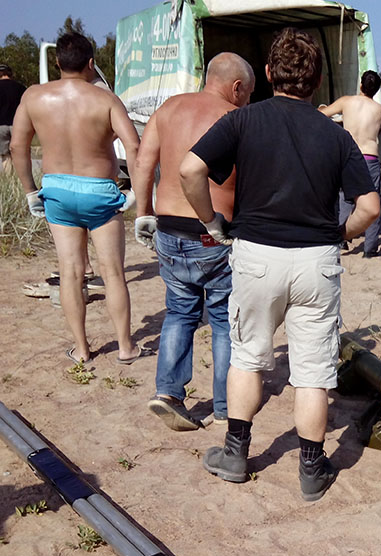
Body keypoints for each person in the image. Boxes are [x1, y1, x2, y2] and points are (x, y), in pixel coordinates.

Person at [180, 27, 380, 502]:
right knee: (313, 373)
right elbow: (369, 208)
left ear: (269, 73)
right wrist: (339, 234)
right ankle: (311, 469)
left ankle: (235, 454)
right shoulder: (336, 136)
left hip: (257, 256)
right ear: (317, 81)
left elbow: (190, 169)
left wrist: (212, 221)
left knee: (248, 357)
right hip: (316, 262)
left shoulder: (244, 120)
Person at [133, 53, 255, 431]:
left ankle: (168, 393)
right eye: (248, 93)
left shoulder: (168, 108)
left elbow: (142, 163)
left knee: (180, 312)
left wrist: (143, 213)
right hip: (213, 234)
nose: (248, 100)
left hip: (168, 230)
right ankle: (224, 405)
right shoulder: (237, 119)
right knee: (222, 320)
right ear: (237, 87)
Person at [10, 32, 147, 365]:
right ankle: (126, 347)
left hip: (57, 191)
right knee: (113, 273)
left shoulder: (34, 96)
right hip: (99, 191)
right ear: (91, 63)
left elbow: (17, 146)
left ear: (57, 62)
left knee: (70, 272)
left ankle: (82, 350)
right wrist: (137, 196)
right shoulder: (106, 100)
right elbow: (133, 146)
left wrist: (30, 192)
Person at [319, 70, 381, 257]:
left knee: (345, 199)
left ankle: (341, 240)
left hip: (350, 155)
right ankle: (370, 249)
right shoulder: (378, 109)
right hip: (370, 157)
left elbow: (322, 114)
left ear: (361, 85)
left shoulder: (346, 102)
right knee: (372, 200)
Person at [1, 63, 27, 173]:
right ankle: (20, 176)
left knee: (5, 155)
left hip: (1, 126)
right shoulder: (21, 88)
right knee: (20, 153)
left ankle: (9, 177)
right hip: (18, 125)